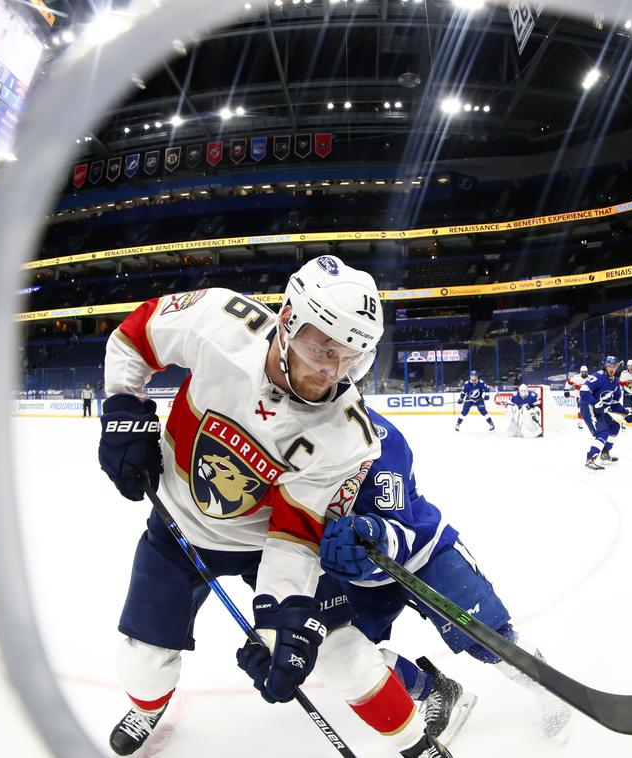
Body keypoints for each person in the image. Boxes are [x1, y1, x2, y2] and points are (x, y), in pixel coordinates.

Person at [98, 256, 451, 758]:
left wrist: (281, 614)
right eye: (322, 348)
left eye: (351, 356)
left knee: (340, 652)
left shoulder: (349, 437)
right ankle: (148, 706)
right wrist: (122, 407)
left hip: (262, 548)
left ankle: (417, 744)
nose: (332, 371)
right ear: (287, 320)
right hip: (176, 527)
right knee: (142, 661)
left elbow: (295, 533)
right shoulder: (218, 321)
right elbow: (135, 337)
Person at [320, 407, 573, 743]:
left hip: (423, 553)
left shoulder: (378, 436)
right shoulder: (285, 430)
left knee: (485, 638)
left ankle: (549, 688)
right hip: (353, 573)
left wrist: (373, 536)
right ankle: (436, 690)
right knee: (338, 650)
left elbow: (399, 529)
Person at [578, 357, 632, 470]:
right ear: (605, 366)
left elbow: (614, 403)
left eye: (614, 366)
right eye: (609, 366)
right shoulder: (599, 376)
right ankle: (590, 459)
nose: (611, 369)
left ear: (617, 367)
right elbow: (583, 392)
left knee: (614, 427)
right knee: (603, 433)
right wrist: (595, 403)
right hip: (589, 408)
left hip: (599, 411)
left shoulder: (615, 383)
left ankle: (605, 454)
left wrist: (626, 413)